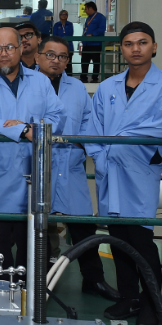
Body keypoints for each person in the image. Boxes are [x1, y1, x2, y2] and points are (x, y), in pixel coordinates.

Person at [87, 22, 162, 325]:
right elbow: (93, 127)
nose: (136, 49)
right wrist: (100, 156)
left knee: (142, 240)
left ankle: (152, 303)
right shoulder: (108, 87)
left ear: (154, 47)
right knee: (118, 239)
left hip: (140, 170)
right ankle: (128, 297)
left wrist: (121, 136)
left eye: (142, 42)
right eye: (129, 44)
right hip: (110, 170)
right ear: (121, 50)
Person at [0, 26, 64, 278]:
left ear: (21, 49)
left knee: (31, 244)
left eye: (10, 47)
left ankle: (27, 293)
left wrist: (31, 128)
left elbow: (56, 117)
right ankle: (3, 292)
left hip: (33, 173)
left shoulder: (40, 81)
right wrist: (22, 130)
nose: (4, 53)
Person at [35, 37, 119, 302]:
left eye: (62, 56)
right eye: (50, 54)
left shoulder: (77, 87)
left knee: (83, 226)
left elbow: (88, 121)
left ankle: (94, 280)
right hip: (37, 165)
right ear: (38, 56)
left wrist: (88, 149)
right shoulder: (28, 85)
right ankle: (39, 281)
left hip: (70, 165)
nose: (56, 60)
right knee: (38, 227)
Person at [80, 1, 107, 83]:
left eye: (86, 9)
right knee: (84, 61)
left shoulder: (100, 17)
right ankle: (83, 77)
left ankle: (95, 78)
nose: (85, 11)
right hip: (86, 44)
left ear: (91, 8)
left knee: (96, 62)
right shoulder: (88, 18)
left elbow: (102, 29)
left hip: (95, 44)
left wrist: (92, 34)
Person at [51, 10, 75, 74]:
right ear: (60, 16)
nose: (64, 16)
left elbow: (70, 34)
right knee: (59, 62)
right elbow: (55, 35)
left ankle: (69, 76)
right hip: (59, 47)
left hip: (69, 46)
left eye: (66, 14)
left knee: (68, 62)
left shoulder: (70, 24)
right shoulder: (56, 25)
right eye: (63, 14)